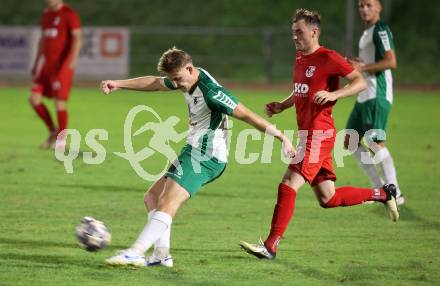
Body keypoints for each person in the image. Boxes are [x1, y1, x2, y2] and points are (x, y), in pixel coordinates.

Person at [100, 47, 294, 267]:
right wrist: (119, 83)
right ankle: (161, 255)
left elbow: (248, 115)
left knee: (167, 202)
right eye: (173, 80)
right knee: (152, 197)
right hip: (192, 149)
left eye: (179, 79)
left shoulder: (212, 92)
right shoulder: (185, 77)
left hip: (207, 156)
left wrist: (282, 137)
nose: (177, 84)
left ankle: (135, 252)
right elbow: (156, 82)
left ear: (190, 69)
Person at [239, 9, 399, 260]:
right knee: (328, 197)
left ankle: (270, 245)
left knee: (288, 183)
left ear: (314, 32)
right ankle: (382, 193)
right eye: (293, 33)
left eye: (299, 32)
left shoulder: (329, 57)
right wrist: (282, 104)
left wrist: (334, 95)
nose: (295, 37)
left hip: (319, 135)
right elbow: (301, 90)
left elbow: (360, 82)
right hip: (308, 135)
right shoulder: (300, 57)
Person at [345, 0, 404, 206]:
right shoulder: (366, 32)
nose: (364, 9)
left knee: (374, 144)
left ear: (379, 7)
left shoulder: (381, 30)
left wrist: (363, 68)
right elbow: (369, 62)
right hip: (364, 94)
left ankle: (395, 192)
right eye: (361, 5)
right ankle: (379, 189)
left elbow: (391, 61)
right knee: (350, 141)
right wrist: (356, 64)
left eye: (369, 5)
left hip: (376, 94)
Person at [29, 0, 82, 149]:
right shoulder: (46, 14)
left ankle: (61, 139)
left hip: (62, 66)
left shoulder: (69, 13)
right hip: (47, 66)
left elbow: (78, 37)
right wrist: (36, 62)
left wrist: (73, 59)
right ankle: (53, 131)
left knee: (59, 102)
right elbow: (43, 40)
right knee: (34, 99)